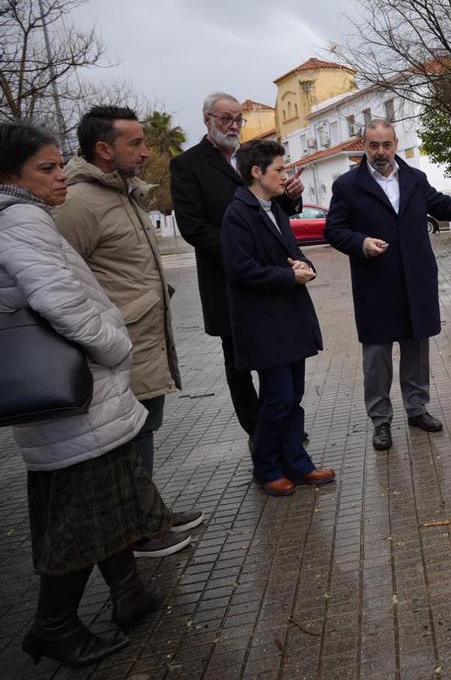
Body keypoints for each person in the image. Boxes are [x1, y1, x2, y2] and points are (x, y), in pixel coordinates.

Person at [0, 123, 171, 668]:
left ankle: (128, 592)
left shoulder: (24, 217)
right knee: (80, 515)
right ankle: (54, 626)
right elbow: (61, 301)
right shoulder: (21, 220)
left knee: (111, 497)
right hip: (75, 398)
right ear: (10, 176)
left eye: (59, 164)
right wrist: (115, 345)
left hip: (80, 401)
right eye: (46, 169)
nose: (61, 177)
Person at [54, 106, 203, 557]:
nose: (145, 152)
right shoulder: (79, 203)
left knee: (144, 425)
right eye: (135, 143)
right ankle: (137, 529)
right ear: (104, 149)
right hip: (115, 344)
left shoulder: (122, 192)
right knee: (129, 433)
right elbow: (61, 280)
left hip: (144, 338)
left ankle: (146, 512)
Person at [324, 119, 451, 450]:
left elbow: (442, 204)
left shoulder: (415, 178)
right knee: (377, 357)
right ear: (364, 146)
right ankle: (381, 421)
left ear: (396, 144)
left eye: (386, 145)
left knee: (417, 350)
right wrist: (361, 243)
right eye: (374, 145)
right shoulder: (347, 185)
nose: (380, 152)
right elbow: (334, 229)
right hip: (375, 284)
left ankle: (417, 410)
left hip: (416, 280)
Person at [170, 92, 305, 445]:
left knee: (278, 356)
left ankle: (282, 426)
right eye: (226, 118)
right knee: (239, 364)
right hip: (226, 283)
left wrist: (291, 195)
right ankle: (258, 433)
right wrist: (241, 250)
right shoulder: (187, 165)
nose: (233, 125)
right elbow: (192, 227)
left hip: (270, 280)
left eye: (238, 119)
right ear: (207, 120)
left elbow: (275, 208)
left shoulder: (251, 158)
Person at [220, 140, 332, 496]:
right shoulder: (238, 214)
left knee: (293, 395)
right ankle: (266, 467)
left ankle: (297, 463)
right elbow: (240, 269)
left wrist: (305, 266)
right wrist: (288, 276)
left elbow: (293, 253)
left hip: (290, 319)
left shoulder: (275, 209)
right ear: (257, 172)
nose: (286, 176)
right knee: (278, 398)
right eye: (279, 169)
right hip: (265, 324)